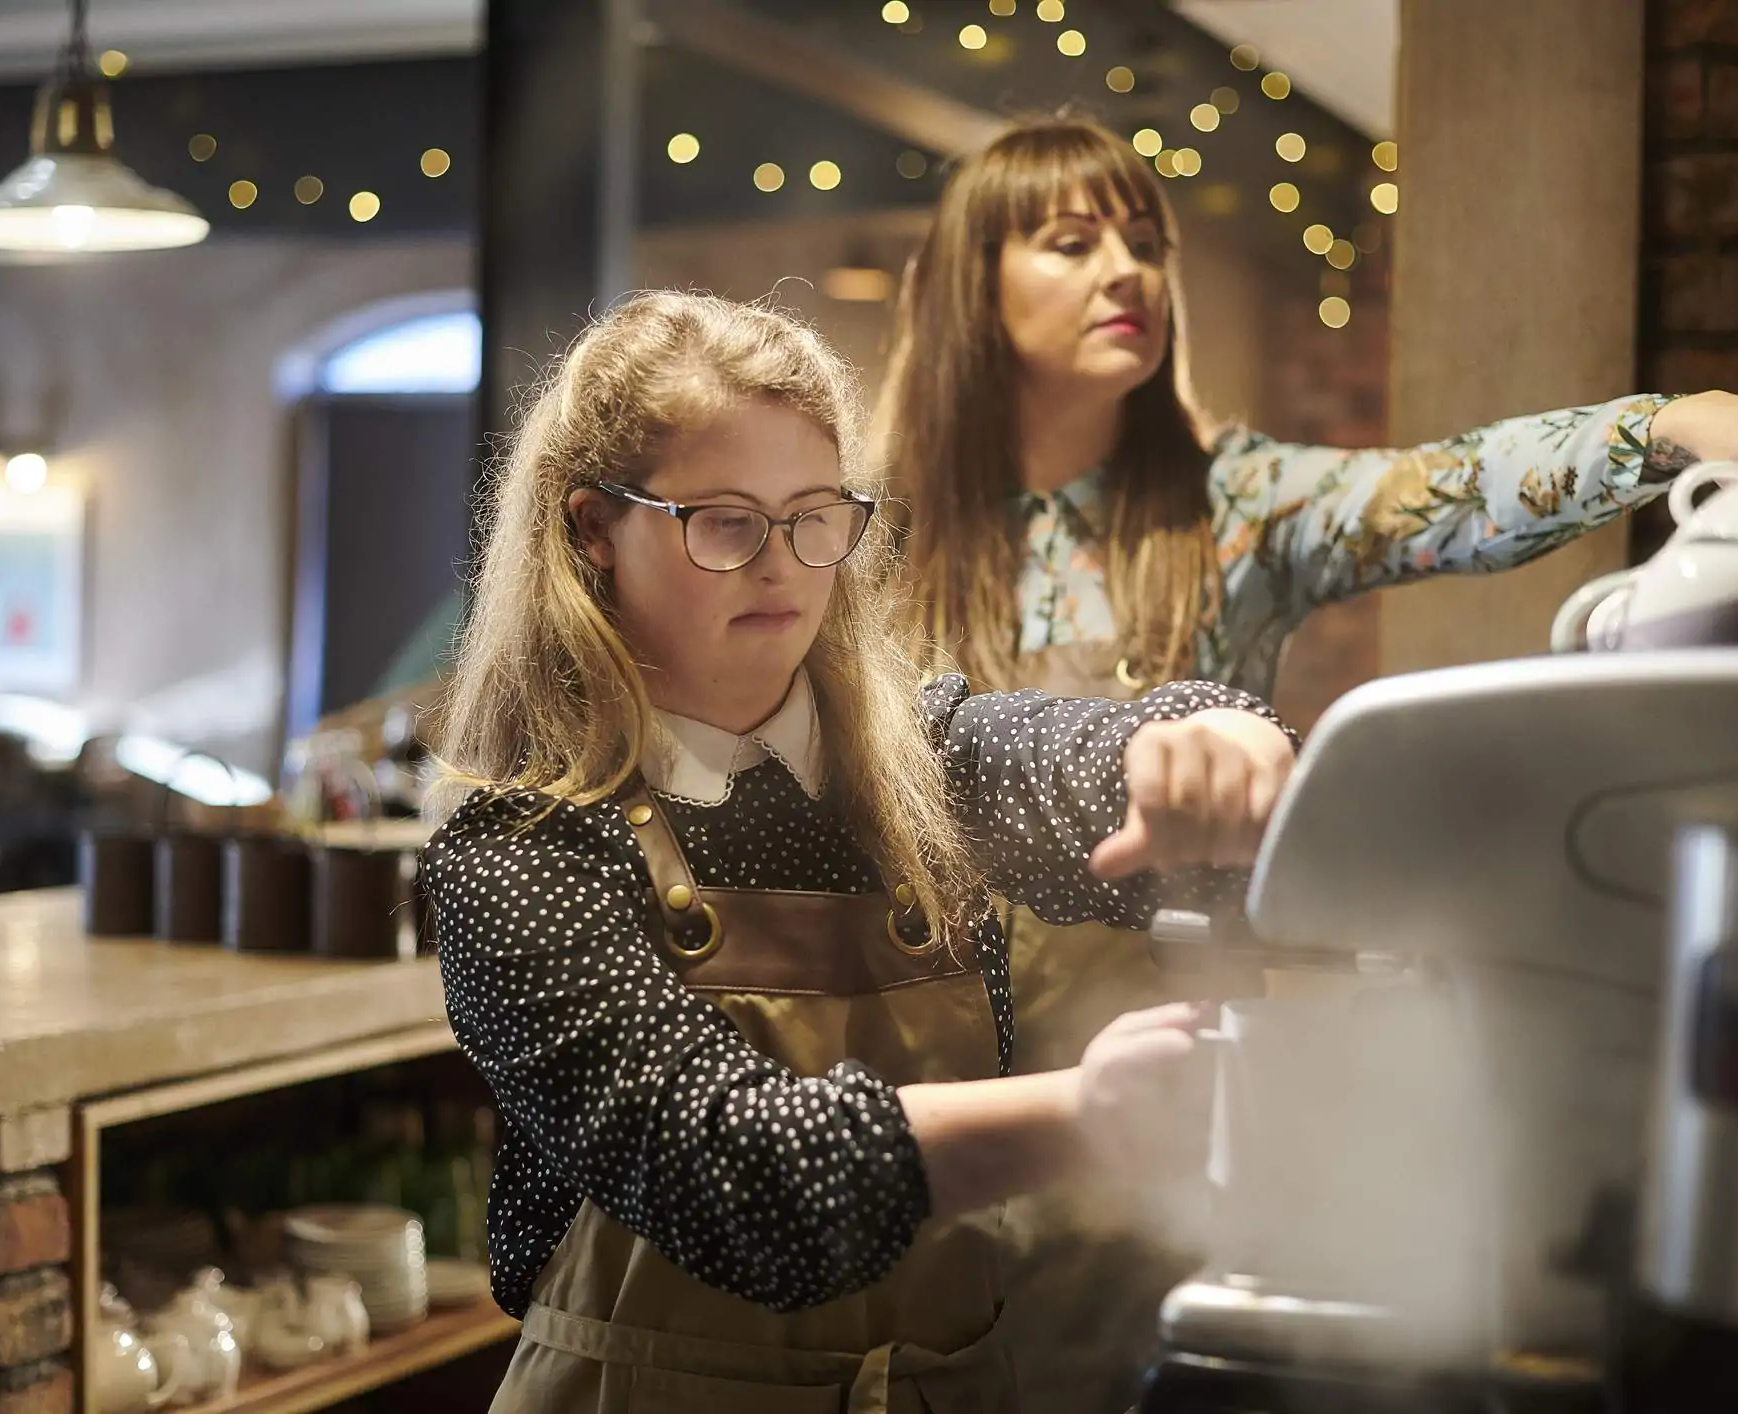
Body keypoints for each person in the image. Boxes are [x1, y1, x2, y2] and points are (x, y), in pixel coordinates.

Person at [871, 114, 1738, 1414]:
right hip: (934, 1080)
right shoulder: (871, 525)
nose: (1127, 270)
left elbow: (1450, 486)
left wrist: (1675, 424)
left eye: (1144, 240)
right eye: (1072, 243)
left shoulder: (1236, 503)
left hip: (1165, 1091)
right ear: (972, 284)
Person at [420, 290, 1303, 1413]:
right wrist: (1082, 1117)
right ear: (595, 527)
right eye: (726, 520)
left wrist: (1215, 737)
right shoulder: (523, 851)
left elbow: (1080, 753)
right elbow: (726, 1169)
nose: (783, 566)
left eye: (816, 515)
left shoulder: (917, 771)